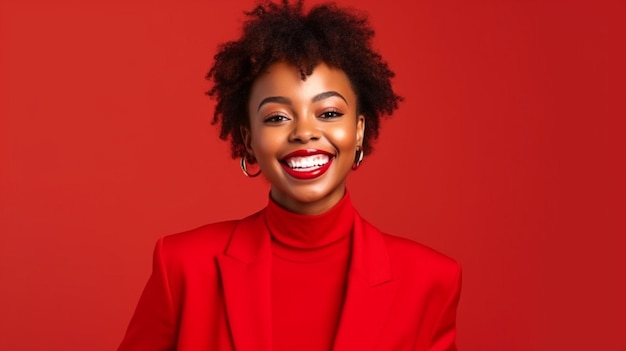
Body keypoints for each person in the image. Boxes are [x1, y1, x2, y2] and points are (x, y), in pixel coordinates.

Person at [117, 0, 462, 350]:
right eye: (277, 117)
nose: (304, 132)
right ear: (248, 139)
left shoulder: (430, 282)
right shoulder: (182, 268)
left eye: (328, 113)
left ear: (358, 130)